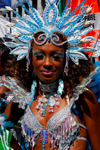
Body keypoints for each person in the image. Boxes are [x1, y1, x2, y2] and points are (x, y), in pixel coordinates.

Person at [1, 0, 100, 150]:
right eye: (39, 56)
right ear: (29, 59)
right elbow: (3, 130)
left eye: (56, 56)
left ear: (67, 59)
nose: (47, 63)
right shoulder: (25, 97)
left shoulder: (81, 97)